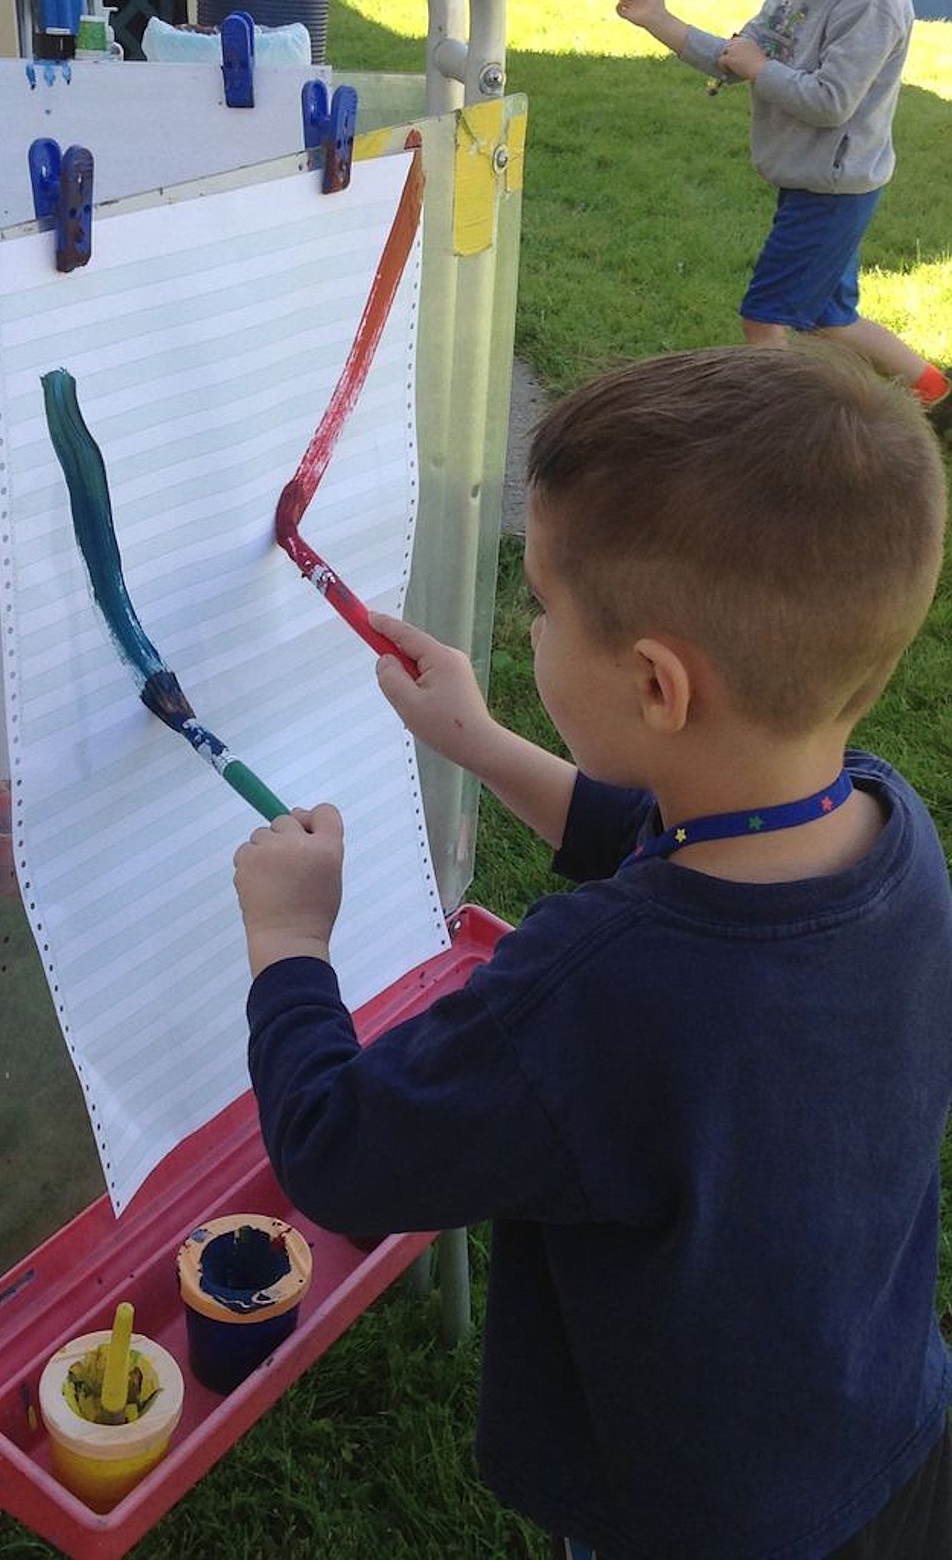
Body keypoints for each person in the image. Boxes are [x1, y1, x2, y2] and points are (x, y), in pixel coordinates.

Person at [232, 345, 952, 1559]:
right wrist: (484, 742)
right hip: (887, 1437)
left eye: (548, 609)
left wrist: (290, 942)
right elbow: (664, 826)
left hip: (693, 1514)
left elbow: (340, 1152)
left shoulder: (600, 988)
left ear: (659, 685)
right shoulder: (888, 833)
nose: (530, 626)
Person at [615, 0, 951, 440]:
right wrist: (656, 18)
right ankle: (939, 396)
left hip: (833, 189)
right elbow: (736, 57)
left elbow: (831, 102)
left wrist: (759, 68)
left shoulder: (875, 8)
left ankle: (782, 436)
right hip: (813, 179)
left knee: (764, 320)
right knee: (833, 317)